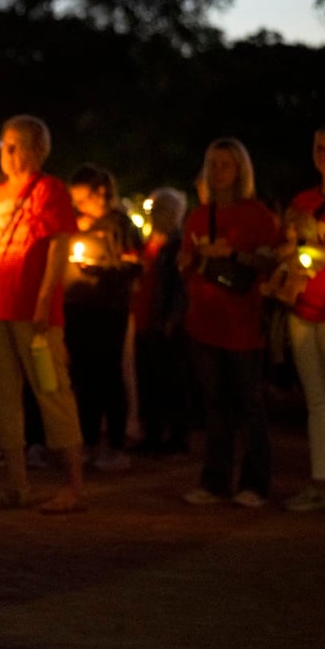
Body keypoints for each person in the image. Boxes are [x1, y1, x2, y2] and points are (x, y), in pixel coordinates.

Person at [0, 115, 89, 513]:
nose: (5, 154)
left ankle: (73, 486)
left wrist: (44, 298)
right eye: (3, 146)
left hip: (34, 313)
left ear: (37, 149)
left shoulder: (50, 190)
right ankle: (16, 484)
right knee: (4, 396)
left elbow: (59, 245)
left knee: (52, 390)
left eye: (14, 146)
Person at [177, 138, 283, 508]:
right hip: (204, 320)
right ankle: (215, 480)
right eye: (214, 164)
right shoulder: (198, 214)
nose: (219, 171)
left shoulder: (256, 215)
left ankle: (256, 482)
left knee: (249, 402)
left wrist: (235, 253)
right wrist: (189, 262)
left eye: (226, 164)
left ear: (241, 170)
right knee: (216, 404)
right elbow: (186, 262)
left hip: (242, 322)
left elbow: (271, 262)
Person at [64, 164, 143, 472]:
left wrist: (100, 270)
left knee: (108, 374)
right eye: (76, 202)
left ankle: (116, 444)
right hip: (77, 305)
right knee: (83, 376)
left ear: (100, 194)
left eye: (83, 200)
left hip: (108, 308)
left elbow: (134, 267)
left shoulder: (120, 224)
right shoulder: (76, 223)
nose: (79, 206)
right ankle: (88, 440)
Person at [280, 124, 325, 512]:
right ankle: (320, 483)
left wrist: (317, 253)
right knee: (317, 402)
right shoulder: (303, 199)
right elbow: (285, 246)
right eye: (320, 146)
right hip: (302, 307)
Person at [131, 187, 191, 456]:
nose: (156, 216)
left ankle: (174, 436)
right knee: (149, 379)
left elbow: (180, 287)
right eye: (154, 211)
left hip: (162, 322)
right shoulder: (152, 243)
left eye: (162, 211)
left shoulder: (177, 246)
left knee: (168, 379)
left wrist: (171, 318)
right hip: (145, 320)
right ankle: (153, 433)